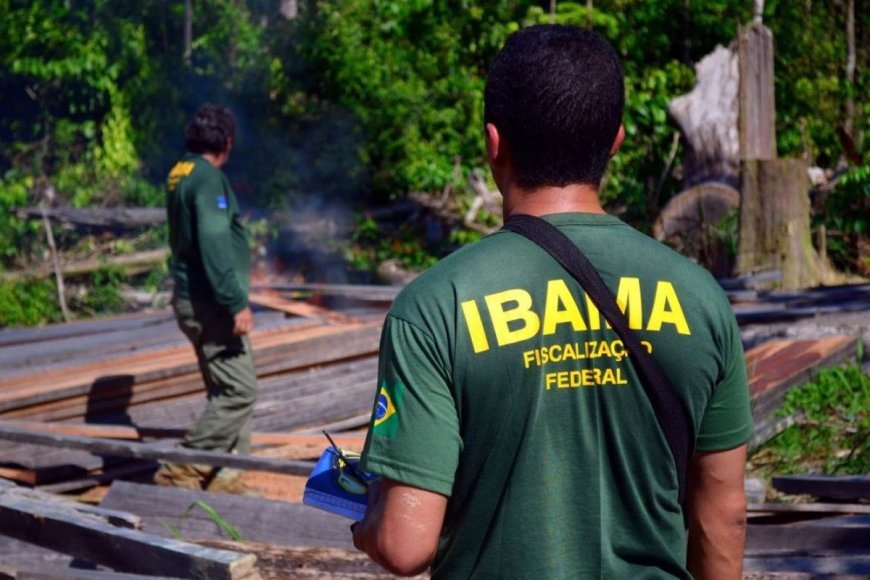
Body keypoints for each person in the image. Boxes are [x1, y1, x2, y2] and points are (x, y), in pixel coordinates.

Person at [351, 25, 753, 579]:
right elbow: (723, 516)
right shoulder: (700, 297)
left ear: (494, 143)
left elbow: (404, 544)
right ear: (615, 141)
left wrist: (368, 516)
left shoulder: (434, 307)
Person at [154, 104, 258, 494]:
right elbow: (214, 245)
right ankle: (183, 468)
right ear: (227, 143)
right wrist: (235, 302)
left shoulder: (180, 172)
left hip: (192, 296)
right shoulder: (209, 179)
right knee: (239, 390)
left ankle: (226, 476)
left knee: (229, 386)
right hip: (210, 302)